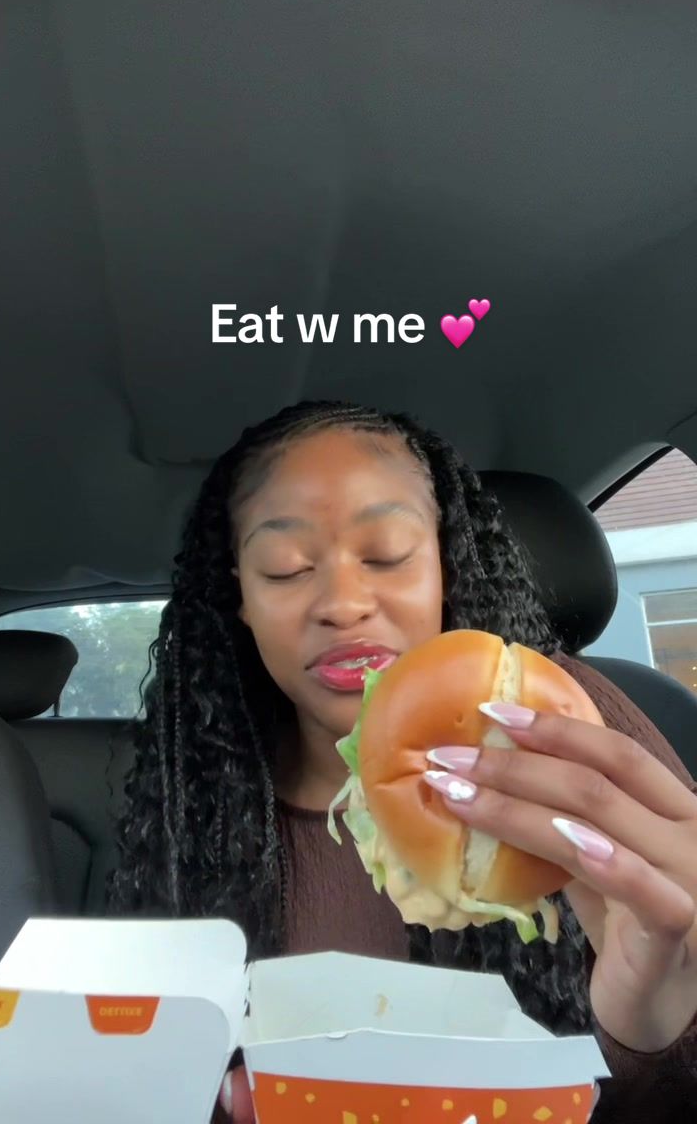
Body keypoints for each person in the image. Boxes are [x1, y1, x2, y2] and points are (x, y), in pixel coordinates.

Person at [107, 399, 697, 1124]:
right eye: (286, 569)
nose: (343, 603)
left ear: (446, 565)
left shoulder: (570, 725)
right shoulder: (196, 792)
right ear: (242, 598)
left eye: (387, 554)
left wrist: (655, 1036)